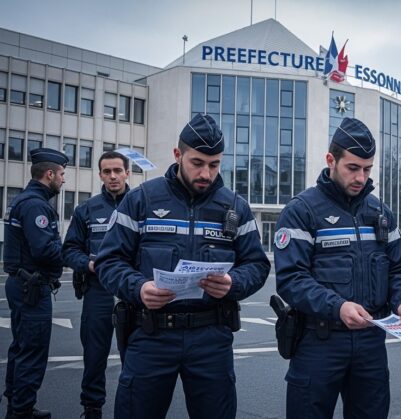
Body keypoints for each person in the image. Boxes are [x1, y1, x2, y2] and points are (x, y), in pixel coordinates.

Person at [95, 113, 271, 419]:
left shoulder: (235, 207)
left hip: (211, 337)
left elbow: (256, 264)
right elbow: (109, 261)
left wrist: (234, 283)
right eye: (198, 163)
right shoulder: (141, 200)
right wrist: (139, 288)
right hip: (151, 335)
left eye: (214, 164)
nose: (207, 173)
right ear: (178, 155)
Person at [274, 117, 401, 419]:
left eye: (367, 169)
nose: (361, 177)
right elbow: (292, 279)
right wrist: (337, 307)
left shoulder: (380, 212)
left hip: (370, 344)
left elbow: (400, 269)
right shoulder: (302, 211)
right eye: (353, 168)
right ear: (331, 160)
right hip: (318, 342)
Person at [62, 151, 131, 419]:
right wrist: (88, 264)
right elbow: (69, 251)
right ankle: (92, 408)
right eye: (106, 171)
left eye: (117, 170)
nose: (112, 176)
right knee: (94, 355)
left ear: (127, 172)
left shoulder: (141, 205)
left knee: (135, 356)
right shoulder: (86, 210)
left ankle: (132, 407)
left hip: (132, 294)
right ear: (100, 175)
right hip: (98, 292)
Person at [3, 148, 68, 419]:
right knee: (32, 352)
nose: (64, 180)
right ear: (49, 174)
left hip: (24, 285)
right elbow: (44, 250)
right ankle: (21, 411)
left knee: (21, 347)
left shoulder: (27, 200)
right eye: (62, 174)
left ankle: (18, 404)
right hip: (32, 288)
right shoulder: (36, 205)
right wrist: (69, 252)